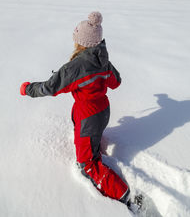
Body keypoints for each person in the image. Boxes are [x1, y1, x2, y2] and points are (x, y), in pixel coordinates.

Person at [20, 11, 130, 204]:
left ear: (82, 42)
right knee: (89, 137)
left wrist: (28, 89)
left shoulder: (76, 67)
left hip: (88, 117)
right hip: (102, 111)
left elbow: (50, 87)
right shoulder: (103, 59)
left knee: (87, 164)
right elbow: (116, 82)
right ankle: (94, 145)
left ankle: (122, 194)